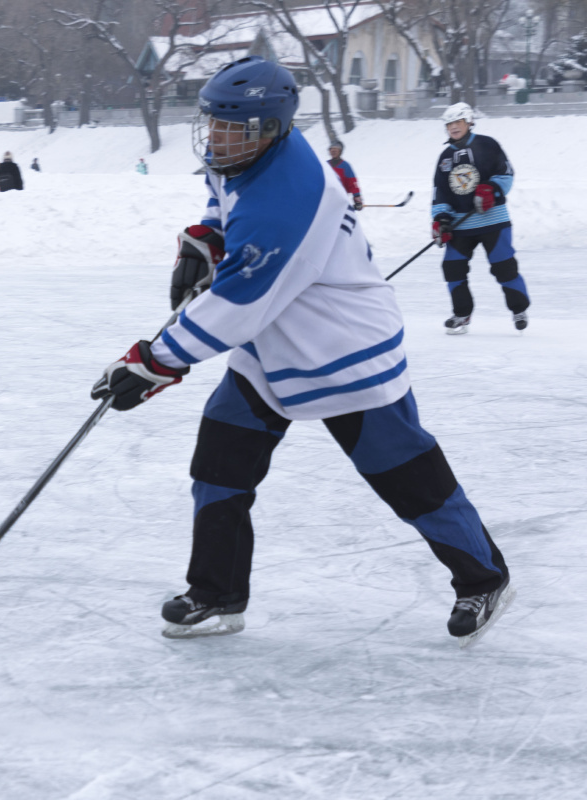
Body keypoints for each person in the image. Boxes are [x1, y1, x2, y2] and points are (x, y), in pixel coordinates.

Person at [91, 57, 513, 645]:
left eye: (228, 127)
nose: (213, 137)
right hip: (273, 346)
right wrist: (209, 235)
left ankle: (484, 576)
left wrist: (155, 360)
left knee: (405, 478)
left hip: (343, 349)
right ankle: (216, 594)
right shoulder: (242, 154)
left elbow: (237, 305)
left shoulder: (286, 201)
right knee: (219, 465)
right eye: (211, 122)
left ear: (267, 128)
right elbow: (221, 195)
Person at [431, 103, 530, 334]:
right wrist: (440, 219)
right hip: (460, 225)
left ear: (469, 122)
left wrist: (491, 189)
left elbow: (506, 174)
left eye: (458, 122)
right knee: (452, 268)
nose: (453, 127)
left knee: (504, 267)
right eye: (449, 124)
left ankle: (519, 309)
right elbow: (440, 193)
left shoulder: (487, 144)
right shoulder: (445, 158)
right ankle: (462, 314)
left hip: (493, 221)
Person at [326, 140, 363, 210]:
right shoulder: (325, 165)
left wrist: (358, 201)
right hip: (327, 200)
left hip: (340, 200)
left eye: (336, 149)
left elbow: (353, 184)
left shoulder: (345, 166)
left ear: (340, 151)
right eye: (331, 149)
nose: (333, 151)